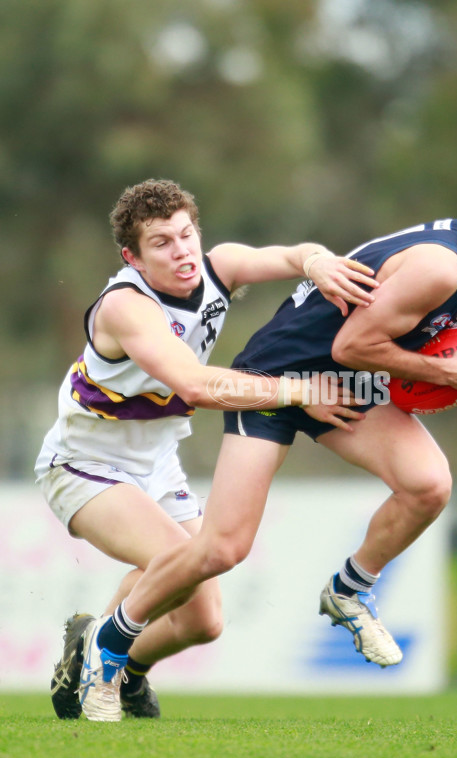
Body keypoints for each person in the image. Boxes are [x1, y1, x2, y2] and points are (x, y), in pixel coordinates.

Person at [66, 155, 457, 721]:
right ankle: (108, 649)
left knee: (429, 485)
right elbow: (350, 346)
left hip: (338, 385)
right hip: (274, 380)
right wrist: (443, 373)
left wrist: (318, 261)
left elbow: (341, 325)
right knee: (222, 550)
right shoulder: (441, 268)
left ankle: (350, 589)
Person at [35, 178, 379, 722]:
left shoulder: (218, 266)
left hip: (156, 464)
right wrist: (297, 391)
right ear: (134, 257)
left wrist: (317, 262)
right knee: (175, 561)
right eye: (162, 243)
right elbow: (195, 385)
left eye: (186, 233)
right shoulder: (126, 306)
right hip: (84, 465)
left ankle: (121, 668)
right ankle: (97, 661)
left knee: (203, 623)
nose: (182, 251)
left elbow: (291, 253)